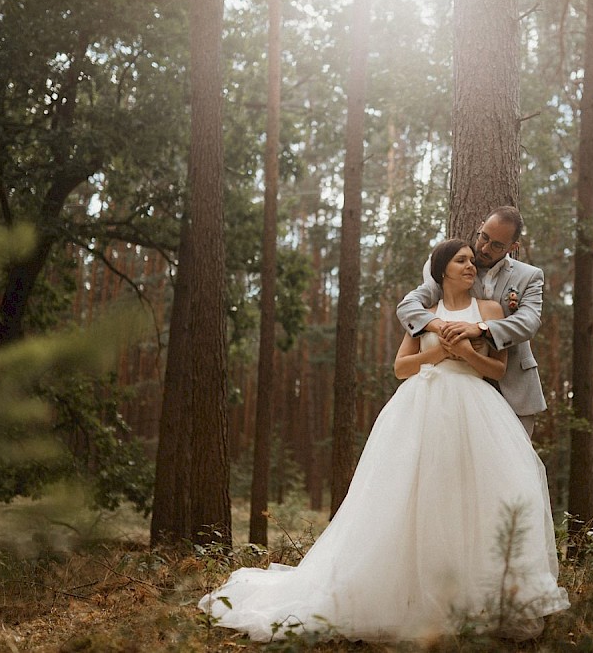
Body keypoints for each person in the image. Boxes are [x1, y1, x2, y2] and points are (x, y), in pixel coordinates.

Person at [199, 239, 569, 642]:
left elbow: (496, 371)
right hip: (422, 409)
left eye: (471, 261)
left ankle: (478, 601)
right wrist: (439, 356)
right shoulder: (424, 313)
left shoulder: (490, 311)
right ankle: (409, 598)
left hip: (476, 409)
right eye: (461, 261)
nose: (470, 267)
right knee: (412, 498)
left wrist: (466, 352)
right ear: (442, 270)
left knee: (475, 499)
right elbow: (400, 367)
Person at [397, 206, 546, 437]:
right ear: (480, 227)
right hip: (451, 394)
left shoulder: (529, 276)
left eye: (497, 245)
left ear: (512, 248)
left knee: (514, 465)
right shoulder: (457, 265)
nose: (485, 248)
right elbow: (408, 306)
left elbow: (529, 322)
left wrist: (480, 329)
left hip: (513, 384)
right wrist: (444, 330)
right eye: (484, 237)